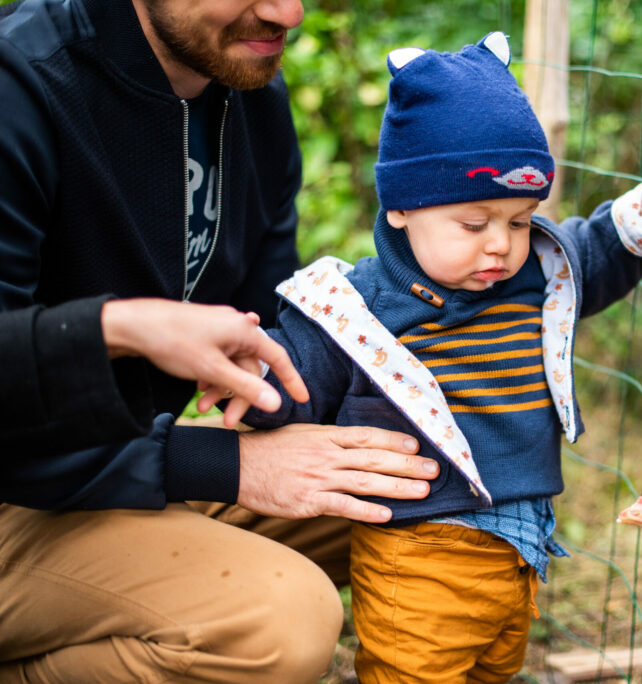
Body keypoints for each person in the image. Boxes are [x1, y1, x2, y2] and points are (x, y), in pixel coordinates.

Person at [0, 0, 440, 681]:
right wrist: (122, 329)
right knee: (282, 623)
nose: (287, 12)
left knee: (434, 487)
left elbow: (268, 331)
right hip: (18, 491)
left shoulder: (245, 88)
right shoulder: (20, 84)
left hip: (119, 461)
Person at [240, 32, 642, 682]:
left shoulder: (536, 272)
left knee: (494, 668)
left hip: (520, 545)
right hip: (418, 550)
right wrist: (254, 385)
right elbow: (300, 376)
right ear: (401, 207)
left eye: (518, 220)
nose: (501, 247)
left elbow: (592, 254)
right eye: (474, 225)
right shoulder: (356, 306)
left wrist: (637, 224)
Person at [2, 297, 310, 453]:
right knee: (286, 579)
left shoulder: (263, 172)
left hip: (156, 447)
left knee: (353, 485)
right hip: (32, 478)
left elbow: (263, 320)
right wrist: (121, 327)